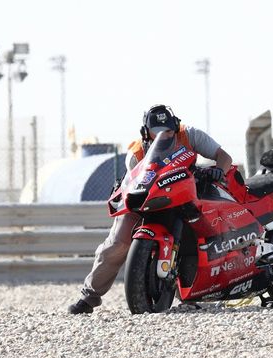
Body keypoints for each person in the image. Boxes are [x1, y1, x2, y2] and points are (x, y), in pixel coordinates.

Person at [68, 104, 232, 314]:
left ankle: (192, 294)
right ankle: (89, 297)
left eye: (169, 130)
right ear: (146, 133)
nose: (164, 134)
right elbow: (131, 182)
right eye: (157, 131)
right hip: (146, 198)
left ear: (176, 125)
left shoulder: (190, 135)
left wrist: (218, 171)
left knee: (199, 237)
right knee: (118, 243)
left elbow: (223, 156)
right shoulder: (136, 153)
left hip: (184, 196)